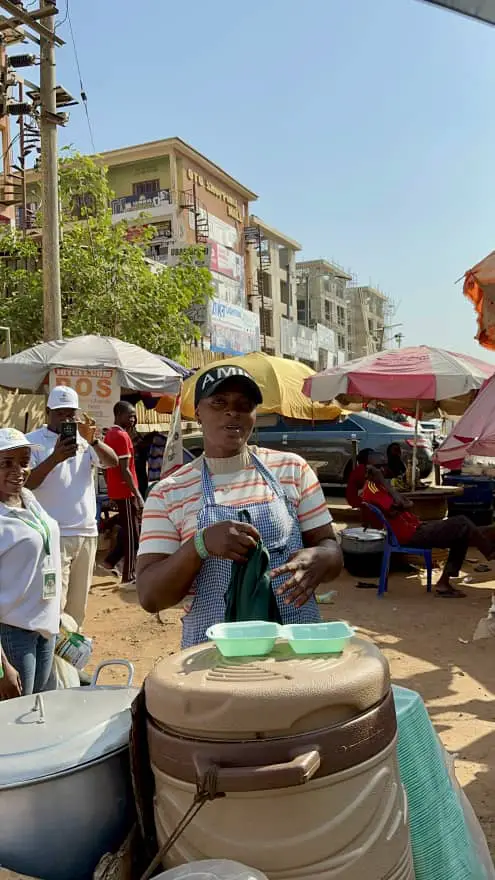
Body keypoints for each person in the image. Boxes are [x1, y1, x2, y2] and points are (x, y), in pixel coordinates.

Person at [136, 365, 343, 647]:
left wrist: (324, 559)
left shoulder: (292, 470)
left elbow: (329, 546)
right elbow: (150, 596)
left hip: (294, 647)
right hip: (215, 654)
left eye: (244, 405)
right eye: (218, 402)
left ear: (254, 415)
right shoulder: (168, 493)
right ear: (198, 412)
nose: (232, 412)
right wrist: (200, 545)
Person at [26, 386, 117, 630]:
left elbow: (112, 462)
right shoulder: (32, 442)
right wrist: (55, 457)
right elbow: (27, 483)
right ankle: (50, 663)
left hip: (86, 534)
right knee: (53, 605)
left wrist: (94, 440)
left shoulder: (86, 442)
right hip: (53, 536)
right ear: (48, 413)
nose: (67, 419)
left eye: (71, 414)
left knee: (78, 607)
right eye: (60, 414)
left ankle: (70, 663)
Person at [362, 452, 495, 598]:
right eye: (377, 467)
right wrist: (386, 485)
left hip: (417, 527)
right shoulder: (374, 489)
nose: (381, 470)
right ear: (368, 468)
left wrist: (396, 498)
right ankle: (489, 551)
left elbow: (407, 504)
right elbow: (398, 506)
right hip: (410, 535)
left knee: (463, 532)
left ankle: (444, 583)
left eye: (383, 466)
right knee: (462, 522)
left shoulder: (382, 487)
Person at [0, 428, 62, 698]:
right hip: (12, 633)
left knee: (36, 710)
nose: (18, 471)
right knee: (13, 720)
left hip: (45, 628)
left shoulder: (30, 500)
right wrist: (1, 668)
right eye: (6, 464)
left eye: (24, 461)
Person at [103, 401, 143, 587]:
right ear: (118, 415)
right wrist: (137, 493)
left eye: (134, 416)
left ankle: (110, 562)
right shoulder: (121, 436)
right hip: (126, 491)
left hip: (119, 490)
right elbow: (125, 470)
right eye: (130, 415)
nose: (133, 419)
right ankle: (129, 575)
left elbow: (107, 467)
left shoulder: (110, 435)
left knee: (130, 530)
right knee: (133, 535)